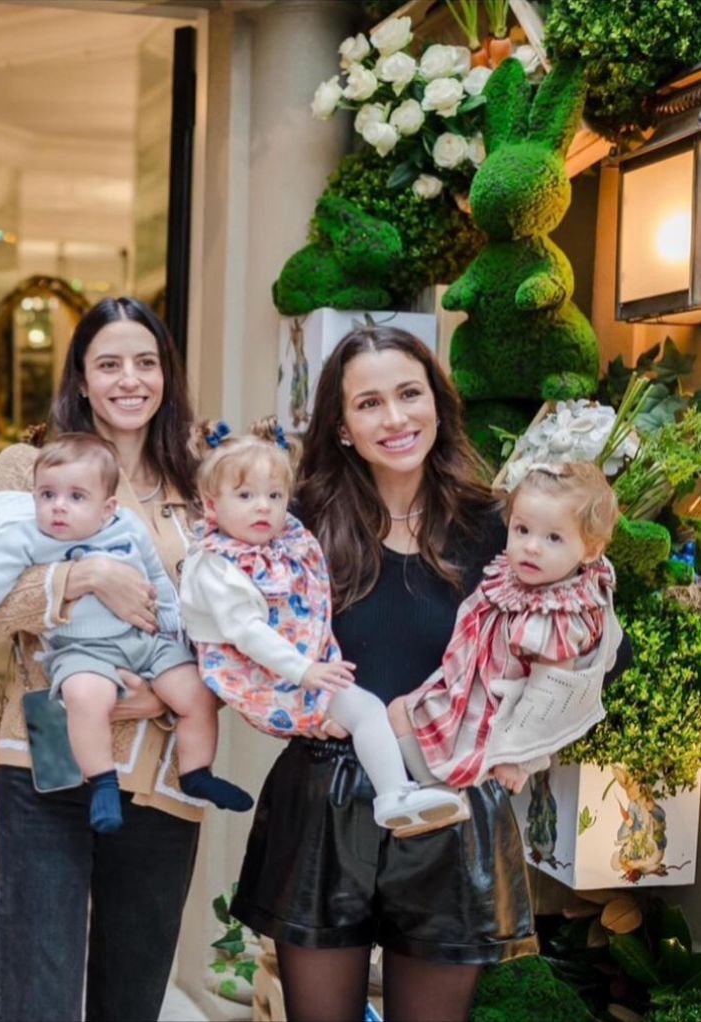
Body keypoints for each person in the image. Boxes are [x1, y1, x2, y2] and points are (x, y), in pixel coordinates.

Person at [230, 325, 543, 1022]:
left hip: (449, 801)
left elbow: (579, 648)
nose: (395, 418)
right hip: (324, 795)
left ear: (437, 401)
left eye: (409, 393)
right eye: (368, 403)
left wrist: (503, 734)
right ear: (340, 427)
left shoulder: (498, 525)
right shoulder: (293, 522)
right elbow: (229, 628)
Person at [0, 297, 205, 1021]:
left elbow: (237, 622)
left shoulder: (200, 482)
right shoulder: (28, 467)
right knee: (35, 992)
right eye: (108, 363)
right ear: (80, 376)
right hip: (47, 754)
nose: (128, 379)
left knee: (131, 995)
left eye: (145, 362)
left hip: (163, 769)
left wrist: (173, 695)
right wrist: (84, 576)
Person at [0, 432, 250, 834]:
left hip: (147, 642)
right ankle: (101, 780)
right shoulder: (26, 538)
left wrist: (171, 623)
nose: (58, 507)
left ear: (107, 509)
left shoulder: (129, 526)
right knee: (87, 696)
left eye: (75, 497)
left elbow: (157, 576)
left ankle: (196, 772)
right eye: (46, 495)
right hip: (81, 651)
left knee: (196, 691)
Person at [179, 420, 466, 836]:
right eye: (245, 496)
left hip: (300, 666)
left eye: (274, 496)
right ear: (210, 506)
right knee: (365, 708)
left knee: (370, 711)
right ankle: (398, 793)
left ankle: (408, 791)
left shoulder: (284, 544)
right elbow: (247, 631)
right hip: (261, 669)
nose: (263, 507)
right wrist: (305, 670)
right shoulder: (218, 564)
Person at [393, 460, 621, 792]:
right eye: (521, 530)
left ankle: (438, 793)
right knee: (399, 712)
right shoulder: (515, 580)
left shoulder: (556, 614)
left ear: (590, 550)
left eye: (554, 538)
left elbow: (549, 696)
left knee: (405, 714)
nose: (531, 546)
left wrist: (520, 758)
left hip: (499, 716)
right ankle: (430, 792)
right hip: (469, 685)